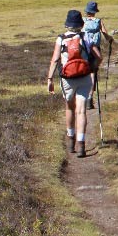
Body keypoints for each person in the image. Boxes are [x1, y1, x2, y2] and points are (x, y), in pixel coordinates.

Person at [46, 10, 100, 158]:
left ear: (67, 24)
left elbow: (55, 60)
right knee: (81, 111)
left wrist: (50, 79)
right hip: (84, 77)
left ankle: (71, 142)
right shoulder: (86, 36)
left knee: (70, 108)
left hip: (67, 79)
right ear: (81, 25)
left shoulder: (61, 39)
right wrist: (93, 67)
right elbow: (99, 56)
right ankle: (81, 145)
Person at [82, 1, 108, 110]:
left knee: (83, 73)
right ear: (95, 12)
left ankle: (81, 97)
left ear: (87, 11)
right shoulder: (98, 21)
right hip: (95, 50)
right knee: (92, 73)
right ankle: (89, 99)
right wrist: (110, 39)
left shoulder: (82, 21)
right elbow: (105, 34)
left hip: (84, 49)